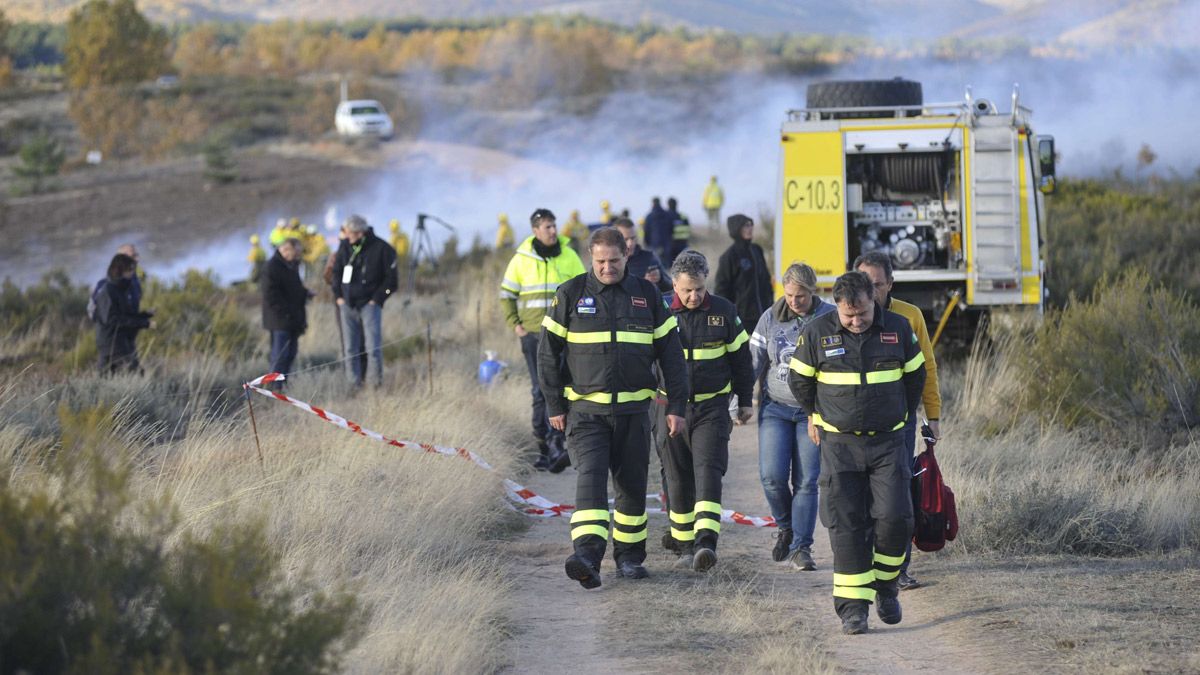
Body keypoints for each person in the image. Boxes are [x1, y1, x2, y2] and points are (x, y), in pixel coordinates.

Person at [539, 227, 689, 588]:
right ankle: (587, 557)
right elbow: (547, 354)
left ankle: (629, 558)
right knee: (590, 482)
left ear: (627, 256)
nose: (607, 268)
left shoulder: (646, 294)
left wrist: (676, 406)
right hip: (585, 413)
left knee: (632, 488)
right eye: (601, 261)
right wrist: (555, 404)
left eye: (615, 261)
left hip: (634, 413)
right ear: (591, 258)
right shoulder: (571, 293)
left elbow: (671, 356)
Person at [788, 271, 925, 635]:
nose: (856, 321)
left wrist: (899, 414)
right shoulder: (818, 332)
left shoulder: (897, 327)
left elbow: (915, 377)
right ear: (837, 306)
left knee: (895, 518)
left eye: (862, 313)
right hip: (840, 447)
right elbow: (798, 379)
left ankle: (886, 585)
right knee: (847, 526)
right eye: (848, 315)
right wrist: (817, 414)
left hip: (887, 444)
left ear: (872, 300)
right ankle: (853, 610)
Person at [854, 251, 941, 591]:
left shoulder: (909, 317)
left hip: (901, 422)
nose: (870, 291)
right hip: (855, 425)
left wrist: (932, 416)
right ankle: (863, 565)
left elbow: (927, 368)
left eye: (877, 284)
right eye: (865, 283)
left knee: (899, 496)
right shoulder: (846, 317)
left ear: (890, 284)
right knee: (860, 497)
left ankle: (897, 568)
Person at [661, 251, 753, 571]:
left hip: (712, 406)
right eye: (686, 290)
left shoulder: (725, 311)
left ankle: (705, 544)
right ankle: (684, 544)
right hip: (668, 408)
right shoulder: (658, 311)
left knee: (708, 472)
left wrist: (744, 400)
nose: (694, 296)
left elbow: (742, 359)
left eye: (699, 289)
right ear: (674, 284)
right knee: (677, 477)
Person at [750, 263, 835, 571]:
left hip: (812, 412)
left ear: (813, 292)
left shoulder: (829, 317)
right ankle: (786, 526)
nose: (794, 302)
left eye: (800, 296)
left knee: (807, 481)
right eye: (788, 295)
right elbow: (754, 360)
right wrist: (740, 399)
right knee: (771, 477)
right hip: (776, 408)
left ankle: (802, 547)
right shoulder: (770, 317)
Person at [499, 208, 585, 471]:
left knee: (564, 388)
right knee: (540, 390)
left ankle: (559, 441)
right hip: (534, 335)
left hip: (565, 336)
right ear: (535, 230)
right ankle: (543, 448)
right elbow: (507, 295)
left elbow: (584, 291)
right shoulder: (521, 259)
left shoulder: (569, 255)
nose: (552, 231)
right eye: (547, 227)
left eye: (554, 226)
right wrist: (517, 326)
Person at [330, 215, 399, 388]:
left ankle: (375, 384)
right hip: (347, 304)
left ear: (359, 232)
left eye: (349, 233)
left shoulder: (383, 248)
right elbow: (336, 273)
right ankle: (353, 384)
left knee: (372, 347)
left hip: (370, 305)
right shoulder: (344, 246)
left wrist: (377, 299)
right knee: (350, 348)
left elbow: (392, 281)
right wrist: (338, 296)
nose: (346, 236)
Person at [94, 253, 154, 374]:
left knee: (109, 377)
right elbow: (113, 320)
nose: (132, 273)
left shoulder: (122, 289)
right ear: (121, 270)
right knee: (136, 374)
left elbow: (125, 315)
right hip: (111, 343)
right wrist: (144, 323)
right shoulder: (108, 291)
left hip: (121, 341)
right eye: (130, 269)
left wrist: (144, 316)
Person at [262, 238, 311, 384]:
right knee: (279, 356)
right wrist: (286, 312)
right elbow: (270, 295)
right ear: (286, 250)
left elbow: (295, 288)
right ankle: (274, 388)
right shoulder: (271, 267)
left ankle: (283, 386)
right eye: (296, 252)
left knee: (290, 354)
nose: (298, 255)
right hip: (279, 320)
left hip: (294, 319)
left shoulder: (292, 266)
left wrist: (306, 293)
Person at [714, 214, 772, 335]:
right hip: (743, 318)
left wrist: (770, 305)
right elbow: (721, 290)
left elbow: (766, 281)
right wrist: (728, 316)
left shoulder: (757, 250)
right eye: (746, 225)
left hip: (764, 316)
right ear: (736, 229)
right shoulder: (729, 256)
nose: (750, 228)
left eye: (751, 225)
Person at [612, 217, 671, 293]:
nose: (630, 243)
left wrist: (660, 279)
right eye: (625, 239)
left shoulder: (650, 257)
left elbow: (671, 286)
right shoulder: (608, 262)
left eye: (633, 238)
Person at [643, 197, 671, 262]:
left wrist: (646, 243)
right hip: (666, 243)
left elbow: (646, 231)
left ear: (652, 204)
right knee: (665, 265)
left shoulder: (649, 216)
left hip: (653, 243)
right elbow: (671, 229)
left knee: (655, 265)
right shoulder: (667, 214)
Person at [665, 197, 690, 267]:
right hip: (683, 244)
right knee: (683, 267)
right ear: (676, 205)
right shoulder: (683, 216)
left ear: (668, 205)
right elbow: (688, 230)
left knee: (671, 267)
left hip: (670, 245)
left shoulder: (665, 216)